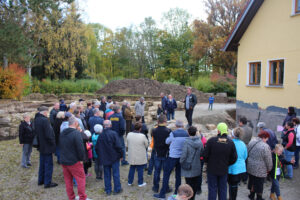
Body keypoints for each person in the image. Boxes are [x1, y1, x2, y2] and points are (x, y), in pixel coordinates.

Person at [154, 120, 188, 199]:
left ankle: (162, 194)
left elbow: (167, 141)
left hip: (172, 157)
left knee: (166, 175)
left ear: (176, 126)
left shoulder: (173, 133)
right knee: (178, 176)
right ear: (182, 126)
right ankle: (177, 193)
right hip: (181, 157)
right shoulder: (186, 134)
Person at [59, 116, 92, 200]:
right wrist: (81, 159)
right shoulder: (76, 133)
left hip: (64, 160)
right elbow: (80, 148)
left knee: (68, 180)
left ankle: (71, 197)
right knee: (80, 179)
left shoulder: (62, 132)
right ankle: (82, 197)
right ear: (76, 123)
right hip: (74, 161)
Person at [203, 122, 237, 200]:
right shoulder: (231, 142)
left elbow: (205, 155)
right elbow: (234, 158)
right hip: (224, 169)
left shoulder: (211, 141)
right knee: (223, 189)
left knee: (212, 189)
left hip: (212, 169)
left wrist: (209, 162)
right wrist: (227, 163)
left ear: (218, 131)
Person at [95, 120, 123, 195]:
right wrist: (121, 155)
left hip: (105, 158)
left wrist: (101, 156)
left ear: (104, 126)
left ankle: (108, 190)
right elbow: (118, 146)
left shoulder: (100, 135)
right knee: (116, 174)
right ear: (110, 125)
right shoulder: (113, 134)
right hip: (114, 157)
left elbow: (97, 148)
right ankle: (117, 189)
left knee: (107, 175)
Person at [34, 106, 57, 188]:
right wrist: (53, 143)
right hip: (47, 145)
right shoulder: (44, 120)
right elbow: (48, 134)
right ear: (44, 112)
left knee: (42, 163)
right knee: (48, 164)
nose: (47, 113)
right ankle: (47, 182)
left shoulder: (36, 119)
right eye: (47, 112)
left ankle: (41, 180)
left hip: (41, 144)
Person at [247, 130, 272, 200]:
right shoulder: (265, 147)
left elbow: (247, 152)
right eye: (267, 138)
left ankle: (251, 195)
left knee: (252, 181)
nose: (267, 140)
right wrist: (269, 168)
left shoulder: (251, 142)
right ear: (264, 137)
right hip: (260, 169)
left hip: (250, 166)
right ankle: (259, 197)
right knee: (259, 184)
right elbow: (268, 160)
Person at [180, 126, 204, 200]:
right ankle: (193, 197)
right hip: (197, 166)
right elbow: (202, 153)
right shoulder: (200, 142)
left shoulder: (186, 142)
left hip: (188, 166)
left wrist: (181, 161)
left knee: (188, 184)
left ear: (188, 132)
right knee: (195, 183)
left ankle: (189, 197)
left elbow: (184, 155)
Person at [152, 115, 171, 193]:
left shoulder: (154, 130)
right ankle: (165, 187)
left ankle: (156, 187)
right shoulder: (168, 130)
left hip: (157, 152)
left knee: (157, 171)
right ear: (165, 121)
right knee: (166, 172)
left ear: (158, 121)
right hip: (166, 153)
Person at [228, 127, 248, 200]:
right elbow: (245, 156)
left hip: (232, 168)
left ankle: (231, 198)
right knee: (235, 185)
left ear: (232, 135)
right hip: (241, 168)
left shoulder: (230, 143)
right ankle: (233, 198)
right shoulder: (243, 144)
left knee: (231, 184)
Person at [127, 122, 149, 187]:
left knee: (132, 168)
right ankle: (140, 182)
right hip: (140, 155)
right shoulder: (142, 136)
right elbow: (146, 145)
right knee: (140, 169)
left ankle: (129, 181)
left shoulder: (129, 134)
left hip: (132, 154)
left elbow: (127, 143)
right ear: (140, 129)